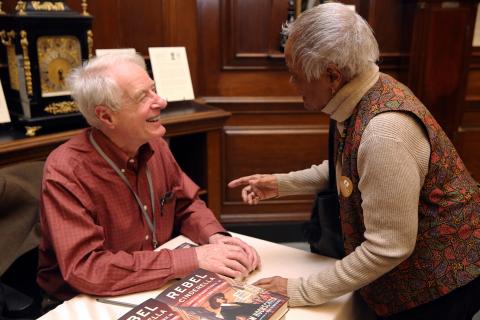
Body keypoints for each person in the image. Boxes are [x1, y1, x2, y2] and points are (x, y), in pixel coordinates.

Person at [228, 3, 480, 320]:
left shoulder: (385, 132)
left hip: (438, 286)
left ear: (332, 75)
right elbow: (352, 169)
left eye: (296, 75)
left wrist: (299, 290)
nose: (293, 85)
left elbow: (388, 247)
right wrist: (281, 184)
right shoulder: (365, 94)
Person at [37, 52, 259, 302]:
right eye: (143, 97)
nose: (162, 101)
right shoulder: (66, 171)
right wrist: (194, 259)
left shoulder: (156, 145)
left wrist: (216, 238)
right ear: (106, 116)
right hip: (84, 299)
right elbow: (87, 269)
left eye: (154, 90)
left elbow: (186, 204)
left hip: (154, 280)